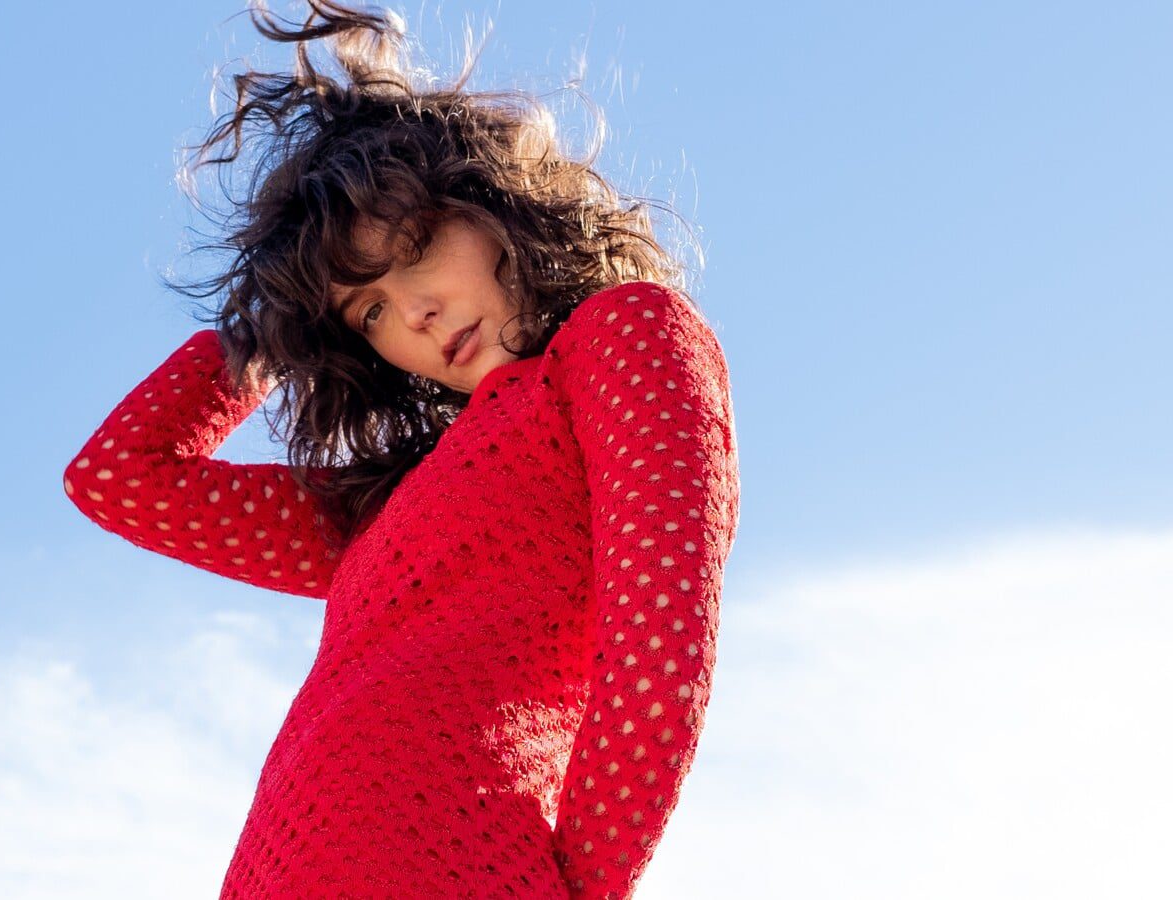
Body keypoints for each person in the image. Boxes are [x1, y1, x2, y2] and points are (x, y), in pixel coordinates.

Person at [62, 2, 741, 896]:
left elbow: (660, 640)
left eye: (416, 249)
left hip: (452, 867)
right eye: (369, 310)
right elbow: (119, 479)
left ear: (494, 202)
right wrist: (274, 328)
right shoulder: (386, 502)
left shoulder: (622, 337)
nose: (412, 310)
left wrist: (581, 887)